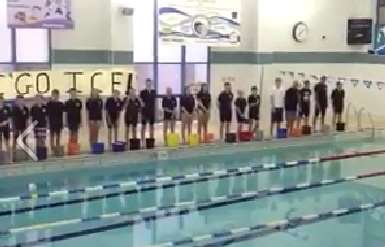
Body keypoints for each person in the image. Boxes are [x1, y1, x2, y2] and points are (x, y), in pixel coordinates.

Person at [47, 89, 64, 154]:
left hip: (58, 122)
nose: (54, 96)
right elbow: (47, 115)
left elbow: (62, 114)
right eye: (53, 95)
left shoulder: (61, 104)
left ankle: (57, 149)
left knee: (58, 137)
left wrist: (62, 123)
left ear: (58, 95)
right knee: (52, 137)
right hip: (52, 122)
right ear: (51, 95)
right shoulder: (49, 104)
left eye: (56, 95)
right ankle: (52, 149)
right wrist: (48, 123)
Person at [140, 78, 156, 145]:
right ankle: (143, 141)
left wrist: (155, 110)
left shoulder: (153, 91)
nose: (148, 84)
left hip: (151, 111)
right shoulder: (142, 92)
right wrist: (142, 103)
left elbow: (154, 102)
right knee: (143, 126)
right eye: (147, 83)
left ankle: (151, 140)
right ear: (146, 84)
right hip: (144, 112)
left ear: (151, 84)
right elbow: (140, 100)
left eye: (149, 83)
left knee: (151, 126)